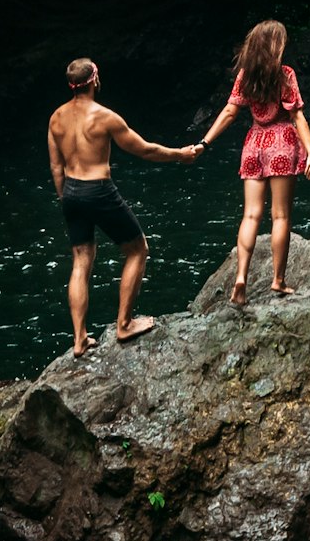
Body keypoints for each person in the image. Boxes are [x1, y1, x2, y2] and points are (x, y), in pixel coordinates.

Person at [47, 57, 202, 359]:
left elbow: (55, 166)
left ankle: (79, 339)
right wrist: (181, 155)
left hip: (71, 191)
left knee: (80, 261)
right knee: (137, 249)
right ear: (94, 80)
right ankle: (124, 324)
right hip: (98, 190)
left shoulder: (56, 117)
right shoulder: (105, 117)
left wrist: (65, 197)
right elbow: (144, 149)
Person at [194, 19, 310, 301]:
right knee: (281, 216)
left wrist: (204, 142)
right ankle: (278, 280)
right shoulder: (285, 75)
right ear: (275, 46)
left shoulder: (245, 76)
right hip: (282, 144)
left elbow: (229, 112)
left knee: (250, 215)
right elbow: (297, 117)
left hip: (253, 144)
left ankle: (240, 280)